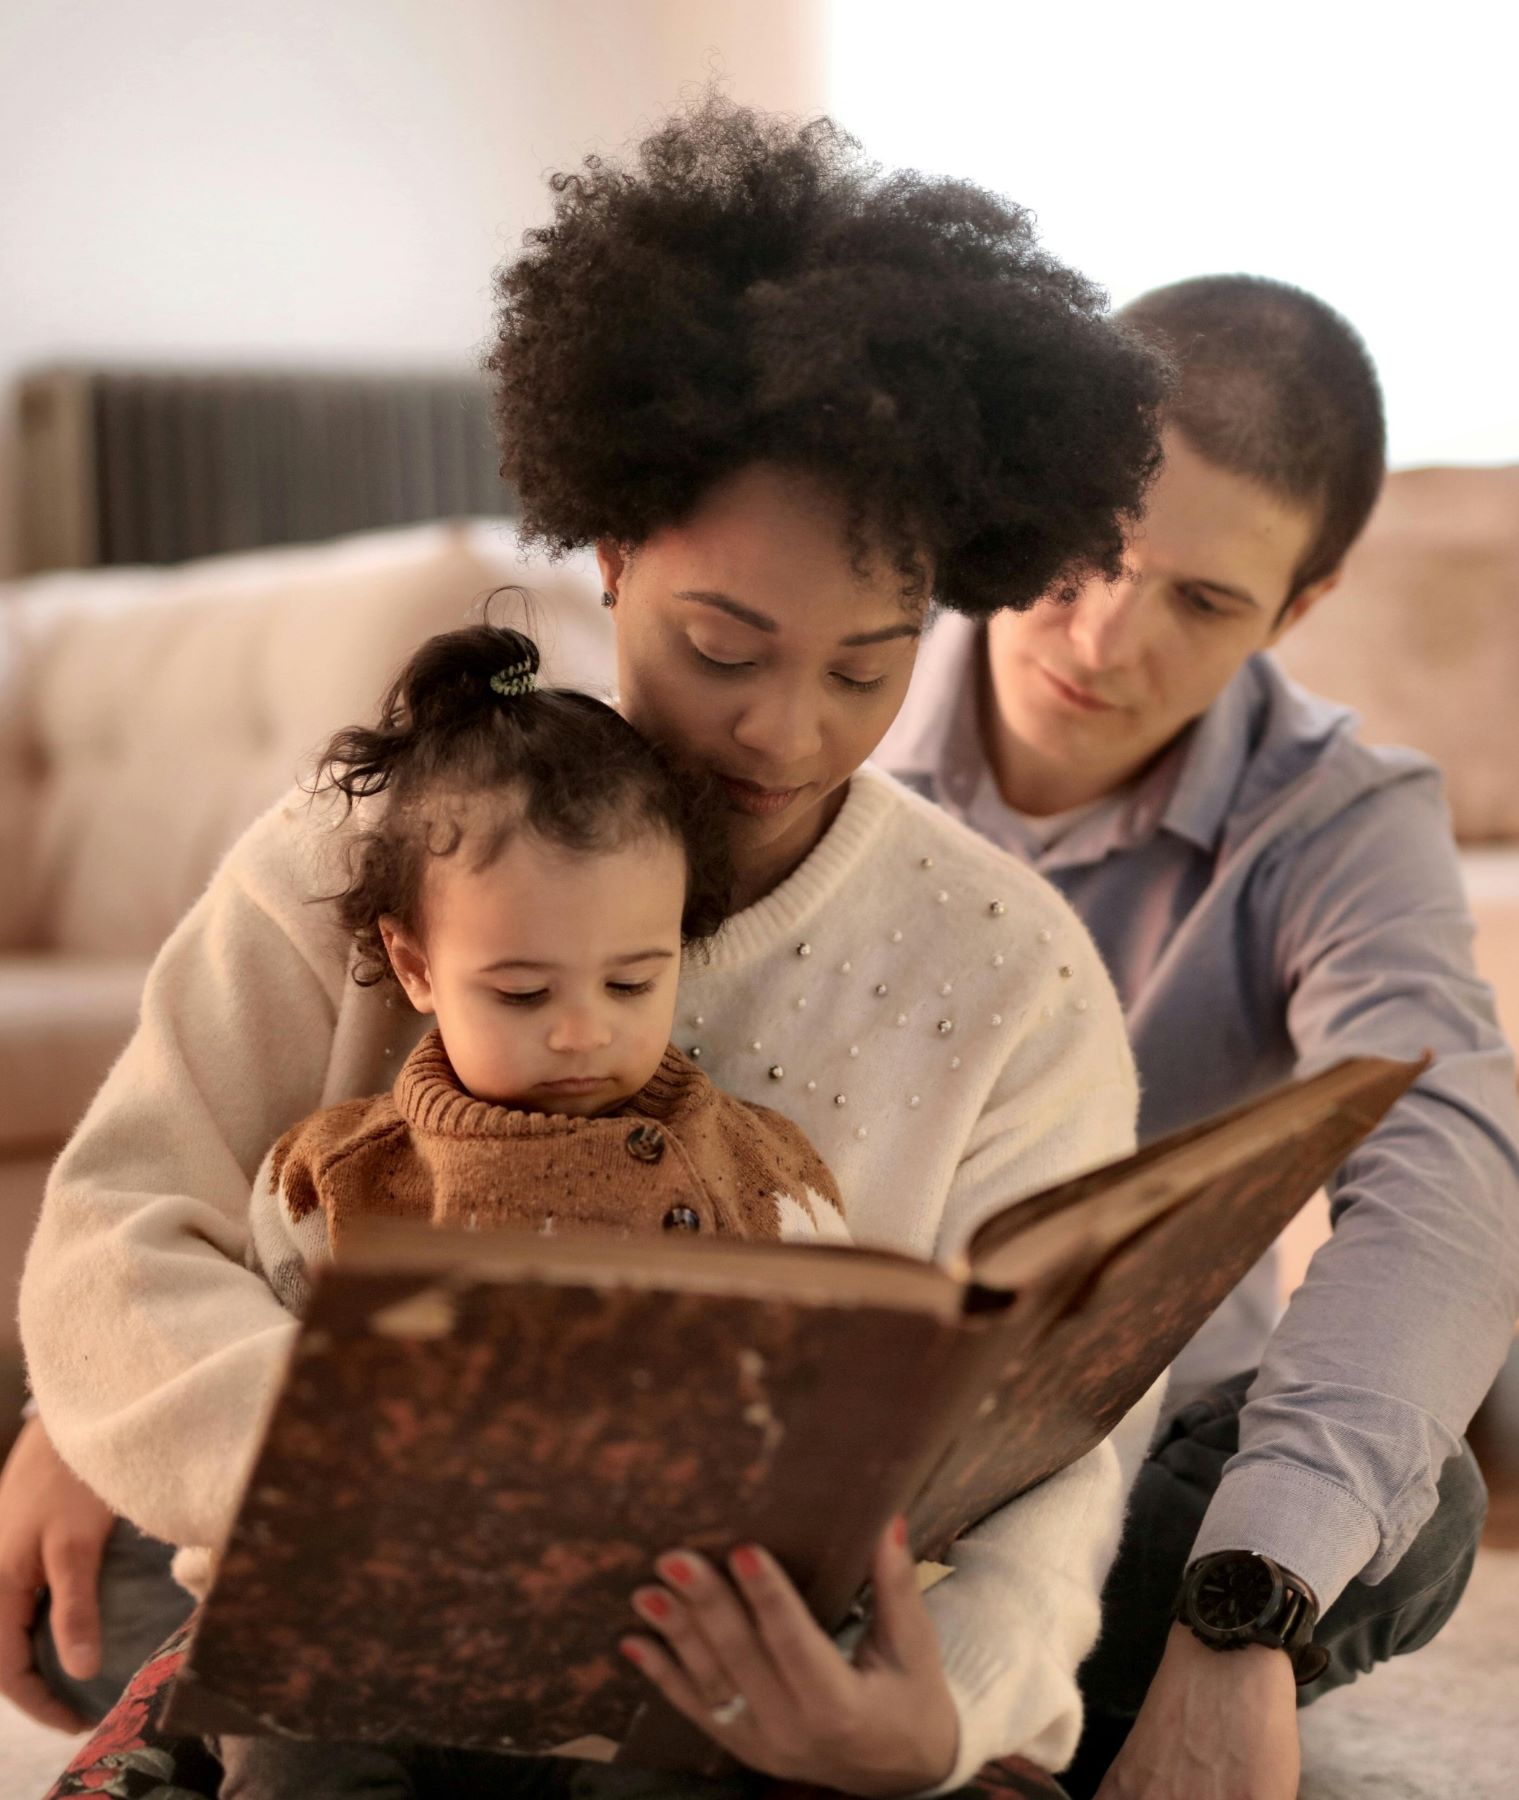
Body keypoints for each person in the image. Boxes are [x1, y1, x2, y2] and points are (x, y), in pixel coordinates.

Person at [9, 97, 1170, 1796]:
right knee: (72, 1571)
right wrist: (364, 1476)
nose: (785, 731)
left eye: (869, 665)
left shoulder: (1006, 967)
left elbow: (1060, 1440)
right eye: (723, 642)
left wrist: (951, 1711)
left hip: (765, 1668)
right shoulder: (359, 854)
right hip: (360, 1585)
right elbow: (117, 1234)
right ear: (611, 555)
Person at [873, 273, 1519, 1799]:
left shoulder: (1336, 814)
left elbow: (1444, 1177)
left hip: (1111, 1473)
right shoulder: (829, 684)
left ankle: (1025, 1690)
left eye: (1203, 602)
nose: (1101, 637)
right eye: (1089, 551)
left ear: (1295, 614)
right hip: (793, 1444)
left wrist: (1242, 1612)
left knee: (1406, 1506)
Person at [222, 625, 854, 1797]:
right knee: (285, 1720)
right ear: (413, 968)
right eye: (520, 991)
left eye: (632, 982)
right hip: (396, 1624)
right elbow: (263, 1397)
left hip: (640, 1634)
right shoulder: (338, 1179)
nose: (581, 1031)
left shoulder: (758, 1174)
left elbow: (838, 1386)